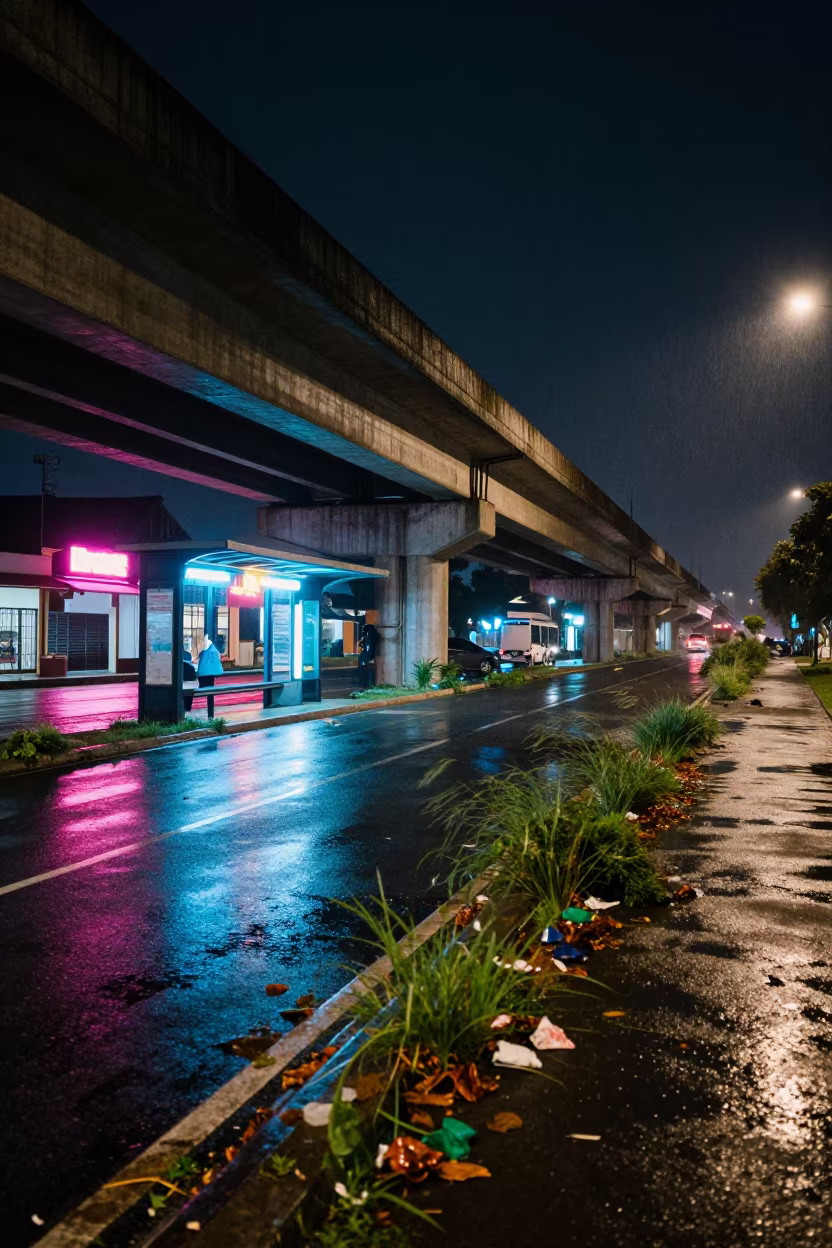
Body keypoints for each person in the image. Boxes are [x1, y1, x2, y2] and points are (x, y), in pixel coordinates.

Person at [197, 634, 224, 716]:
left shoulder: (205, 647)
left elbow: (200, 654)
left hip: (204, 673)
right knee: (210, 692)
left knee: (206, 691)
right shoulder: (214, 648)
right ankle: (210, 715)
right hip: (211, 673)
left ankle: (210, 714)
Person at [357, 623, 379, 689]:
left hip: (366, 659)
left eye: (364, 631)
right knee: (367, 673)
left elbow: (368, 650)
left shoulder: (369, 640)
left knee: (366, 673)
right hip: (367, 659)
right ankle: (366, 685)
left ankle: (365, 685)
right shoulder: (368, 639)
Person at [183, 643, 198, 712]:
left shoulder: (175, 654)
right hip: (190, 680)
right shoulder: (187, 654)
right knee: (189, 695)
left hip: (183, 680)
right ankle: (188, 708)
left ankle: (185, 708)